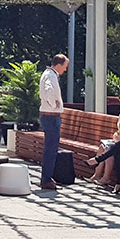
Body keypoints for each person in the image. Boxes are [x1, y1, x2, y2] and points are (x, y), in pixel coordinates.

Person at [39, 54, 69, 190]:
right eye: (65, 66)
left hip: (49, 116)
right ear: (58, 65)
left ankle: (48, 177)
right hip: (51, 116)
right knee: (51, 149)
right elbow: (48, 90)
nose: (65, 69)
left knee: (50, 149)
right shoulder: (50, 76)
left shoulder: (48, 74)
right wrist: (54, 104)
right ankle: (46, 179)